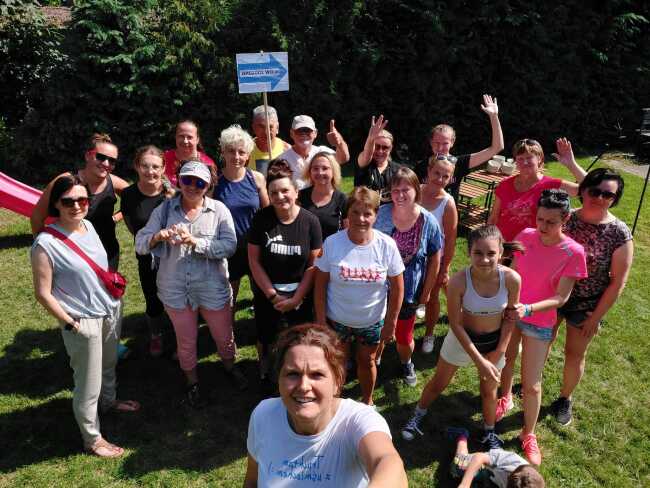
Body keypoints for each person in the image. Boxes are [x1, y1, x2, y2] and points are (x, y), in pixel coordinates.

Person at [31, 175, 139, 458]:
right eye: (68, 201)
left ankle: (110, 402)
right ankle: (92, 439)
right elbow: (43, 293)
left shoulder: (88, 226)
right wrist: (70, 323)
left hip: (110, 309)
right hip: (81, 321)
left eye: (82, 200)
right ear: (56, 204)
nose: (77, 206)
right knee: (87, 384)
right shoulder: (45, 244)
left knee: (108, 364)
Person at [401, 225, 521, 451]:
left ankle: (489, 432)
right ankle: (417, 416)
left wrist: (500, 351)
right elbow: (455, 324)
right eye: (478, 253)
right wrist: (480, 361)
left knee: (489, 391)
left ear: (501, 252)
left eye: (491, 253)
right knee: (439, 383)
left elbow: (510, 318)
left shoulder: (513, 279)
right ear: (469, 252)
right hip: (461, 339)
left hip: (494, 343)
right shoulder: (458, 281)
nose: (484, 259)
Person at [135, 160, 245, 408]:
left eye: (199, 182)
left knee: (223, 335)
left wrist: (196, 242)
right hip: (175, 289)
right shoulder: (164, 211)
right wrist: (156, 237)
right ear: (179, 180)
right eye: (187, 180)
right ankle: (192, 381)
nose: (193, 186)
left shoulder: (219, 211)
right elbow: (139, 244)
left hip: (212, 287)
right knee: (185, 340)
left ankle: (229, 367)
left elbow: (229, 246)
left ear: (208, 185)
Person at [244, 324, 408, 488]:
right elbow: (252, 480)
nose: (303, 386)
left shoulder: (359, 420)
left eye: (317, 375)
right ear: (279, 379)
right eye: (293, 374)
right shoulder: (263, 415)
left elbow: (389, 463)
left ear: (337, 382)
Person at [496, 190, 587, 465]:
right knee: (507, 360)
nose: (543, 227)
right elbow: (510, 269)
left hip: (539, 321)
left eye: (550, 222)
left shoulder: (573, 252)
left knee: (533, 384)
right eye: (540, 219)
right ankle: (506, 397)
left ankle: (528, 433)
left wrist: (529, 308)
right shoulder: (525, 235)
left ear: (566, 219)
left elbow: (562, 297)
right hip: (512, 313)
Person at [550, 167, 633, 426]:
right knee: (541, 343)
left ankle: (565, 398)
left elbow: (618, 282)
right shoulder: (566, 219)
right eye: (594, 191)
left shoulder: (619, 233)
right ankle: (531, 383)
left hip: (585, 305)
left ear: (615, 199)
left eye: (607, 195)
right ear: (583, 190)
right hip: (551, 297)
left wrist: (596, 317)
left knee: (574, 354)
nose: (599, 197)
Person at [314, 186, 404, 406]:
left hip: (371, 321)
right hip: (337, 320)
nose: (360, 219)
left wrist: (391, 323)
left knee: (368, 361)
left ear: (376, 215)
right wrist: (321, 319)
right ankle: (334, 401)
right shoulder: (333, 243)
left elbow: (398, 287)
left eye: (367, 213)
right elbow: (320, 285)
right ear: (347, 213)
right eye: (355, 212)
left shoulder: (387, 246)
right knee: (338, 362)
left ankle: (368, 401)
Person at [247, 160, 323, 380]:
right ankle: (264, 364)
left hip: (300, 294)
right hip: (267, 293)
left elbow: (313, 265)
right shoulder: (261, 219)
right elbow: (254, 261)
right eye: (274, 192)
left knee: (299, 339)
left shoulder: (311, 222)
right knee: (265, 335)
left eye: (285, 191)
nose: (280, 197)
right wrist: (272, 295)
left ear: (296, 191)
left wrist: (297, 297)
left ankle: (296, 371)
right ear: (268, 194)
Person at [374, 167, 442, 386]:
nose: (400, 195)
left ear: (416, 190)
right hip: (378, 288)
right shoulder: (381, 214)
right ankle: (375, 358)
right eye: (395, 190)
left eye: (406, 189)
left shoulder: (428, 221)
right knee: (376, 328)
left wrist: (428, 291)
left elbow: (434, 258)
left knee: (404, 336)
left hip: (410, 290)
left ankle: (406, 362)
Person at [31, 133, 129, 270]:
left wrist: (115, 218)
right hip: (70, 254)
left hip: (107, 252)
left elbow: (136, 200)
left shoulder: (114, 182)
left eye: (112, 161)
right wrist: (46, 249)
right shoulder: (65, 181)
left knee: (106, 291)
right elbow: (37, 217)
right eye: (100, 157)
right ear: (88, 155)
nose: (106, 164)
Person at [120, 145, 175, 357]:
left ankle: (182, 334)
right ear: (136, 166)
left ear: (163, 169)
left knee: (177, 296)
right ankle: (156, 336)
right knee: (152, 299)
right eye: (145, 166)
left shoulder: (172, 194)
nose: (150, 171)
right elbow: (131, 225)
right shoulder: (128, 195)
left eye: (155, 167)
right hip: (146, 256)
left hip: (172, 256)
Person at [488, 137, 586, 241]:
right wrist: (490, 242)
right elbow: (494, 218)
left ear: (539, 158)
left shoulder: (551, 184)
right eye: (520, 158)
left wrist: (571, 164)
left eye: (529, 157)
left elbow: (590, 188)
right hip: (503, 246)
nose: (525, 162)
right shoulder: (505, 185)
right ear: (515, 161)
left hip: (532, 249)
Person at [213, 125, 269, 306]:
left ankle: (261, 331)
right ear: (223, 152)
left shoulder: (257, 178)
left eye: (241, 152)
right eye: (231, 151)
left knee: (261, 293)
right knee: (229, 296)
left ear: (248, 155)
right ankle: (228, 333)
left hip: (255, 246)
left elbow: (267, 212)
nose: (236, 157)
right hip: (229, 248)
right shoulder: (215, 184)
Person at [413, 94, 504, 200]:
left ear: (452, 142)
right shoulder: (421, 167)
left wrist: (494, 116)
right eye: (436, 143)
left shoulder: (459, 163)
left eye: (445, 143)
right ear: (430, 142)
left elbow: (497, 147)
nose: (440, 148)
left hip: (449, 214)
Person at [420, 155, 458, 352]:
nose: (439, 179)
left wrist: (445, 268)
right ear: (429, 171)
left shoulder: (448, 203)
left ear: (451, 179)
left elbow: (451, 239)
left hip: (434, 260)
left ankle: (428, 334)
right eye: (437, 173)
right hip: (408, 257)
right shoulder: (414, 190)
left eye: (445, 176)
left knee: (432, 298)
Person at [448, 428, 545, 488]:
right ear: (509, 476)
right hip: (486, 463)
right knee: (458, 467)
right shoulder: (511, 462)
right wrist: (465, 484)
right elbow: (479, 458)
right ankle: (462, 436)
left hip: (495, 476)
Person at [278, 115, 350, 190]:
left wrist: (339, 143)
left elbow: (343, 159)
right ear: (291, 133)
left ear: (315, 133)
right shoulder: (282, 159)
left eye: (308, 131)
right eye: (299, 131)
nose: (304, 134)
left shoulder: (322, 151)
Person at [298, 151, 347, 240]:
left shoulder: (342, 199)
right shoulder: (300, 196)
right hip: (304, 250)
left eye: (325, 168)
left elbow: (348, 231)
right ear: (310, 171)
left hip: (332, 251)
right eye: (315, 168)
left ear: (333, 171)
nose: (320, 172)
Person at [354, 115, 402, 205]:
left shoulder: (398, 170)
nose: (380, 151)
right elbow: (367, 154)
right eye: (377, 146)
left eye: (385, 148)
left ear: (391, 149)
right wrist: (371, 139)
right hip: (364, 215)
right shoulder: (365, 164)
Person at [163, 119, 215, 187]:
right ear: (175, 137)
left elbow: (210, 192)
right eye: (181, 136)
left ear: (197, 139)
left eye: (190, 137)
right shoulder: (163, 159)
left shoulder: (208, 164)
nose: (185, 141)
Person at [248, 105, 291, 176]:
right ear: (253, 127)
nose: (266, 132)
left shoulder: (287, 150)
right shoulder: (245, 150)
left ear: (277, 127)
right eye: (261, 127)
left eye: (270, 127)